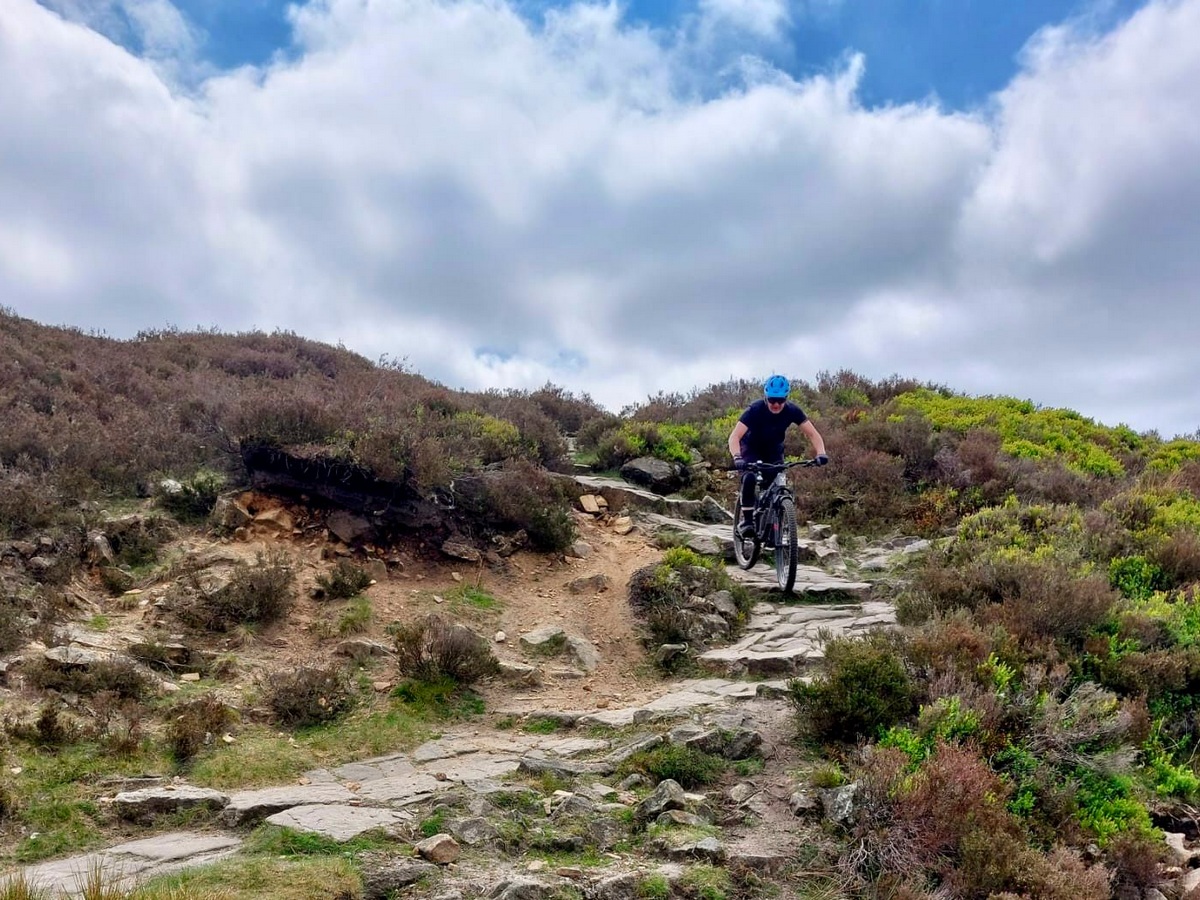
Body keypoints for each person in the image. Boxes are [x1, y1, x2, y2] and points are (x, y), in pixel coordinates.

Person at [727, 375, 828, 536]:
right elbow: (734, 437)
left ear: (786, 399)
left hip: (773, 450)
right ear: (766, 397)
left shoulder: (792, 410)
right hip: (750, 448)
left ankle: (773, 526)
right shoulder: (755, 410)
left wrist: (821, 453)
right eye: (772, 400)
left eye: (780, 401)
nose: (776, 404)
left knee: (775, 485)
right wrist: (737, 457)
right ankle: (746, 521)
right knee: (750, 478)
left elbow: (813, 434)